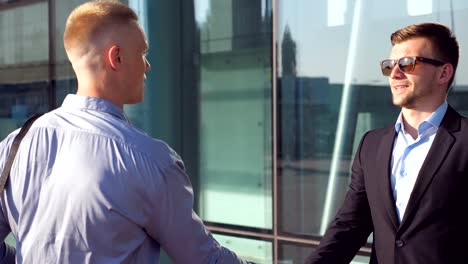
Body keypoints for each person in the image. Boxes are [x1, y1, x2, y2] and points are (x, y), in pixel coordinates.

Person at [0, 1, 252, 263]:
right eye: (142, 53)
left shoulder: (15, 145)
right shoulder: (151, 161)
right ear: (116, 57)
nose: (147, 66)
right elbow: (205, 259)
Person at [305, 22, 466, 263]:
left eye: (407, 64)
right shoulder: (372, 144)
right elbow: (350, 226)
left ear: (444, 73)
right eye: (389, 65)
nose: (394, 74)